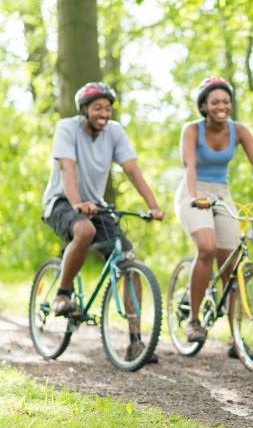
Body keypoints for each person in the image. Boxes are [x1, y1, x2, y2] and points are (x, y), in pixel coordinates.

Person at [42, 82, 164, 362]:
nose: (104, 113)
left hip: (96, 206)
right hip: (61, 201)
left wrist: (153, 205)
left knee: (129, 263)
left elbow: (131, 169)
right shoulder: (67, 128)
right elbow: (67, 168)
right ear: (84, 110)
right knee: (84, 229)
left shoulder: (115, 131)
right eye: (98, 107)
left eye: (108, 108)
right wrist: (76, 203)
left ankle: (136, 343)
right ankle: (62, 294)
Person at [174, 77, 253, 346]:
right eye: (215, 102)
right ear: (204, 106)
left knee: (232, 264)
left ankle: (236, 337)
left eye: (226, 101)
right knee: (207, 248)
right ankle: (194, 320)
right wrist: (195, 196)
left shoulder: (239, 131)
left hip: (222, 193)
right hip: (194, 191)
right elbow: (189, 166)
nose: (221, 106)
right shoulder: (192, 130)